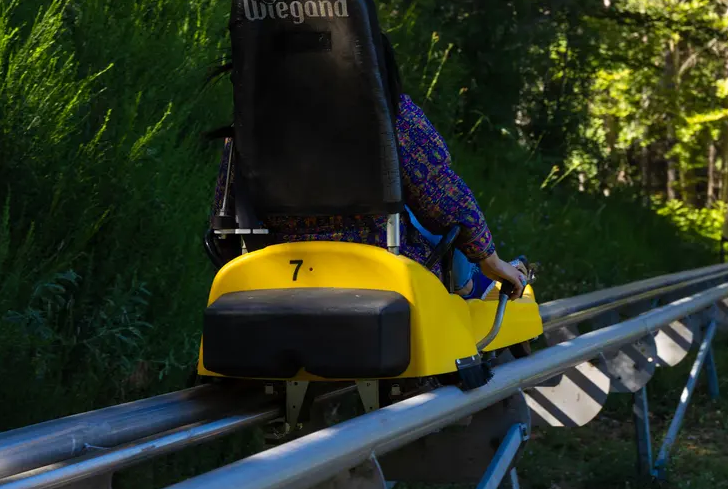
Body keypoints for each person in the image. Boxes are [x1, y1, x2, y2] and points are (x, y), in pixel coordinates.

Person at [210, 32, 528, 299]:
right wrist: (490, 259)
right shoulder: (388, 115)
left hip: (275, 272)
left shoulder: (253, 128)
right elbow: (440, 193)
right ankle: (472, 284)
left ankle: (471, 280)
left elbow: (226, 217)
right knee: (432, 225)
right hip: (379, 271)